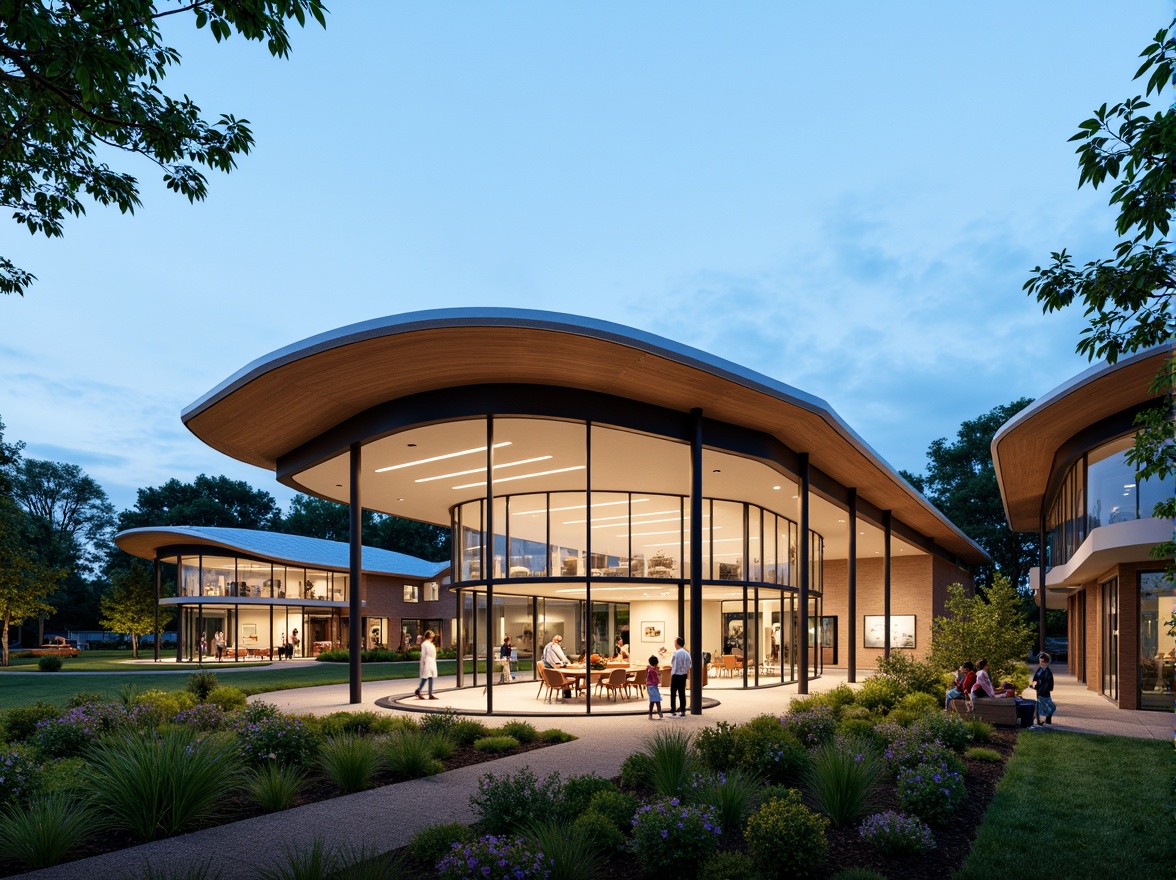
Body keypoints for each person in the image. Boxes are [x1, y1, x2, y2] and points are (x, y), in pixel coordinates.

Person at [1029, 652, 1056, 725]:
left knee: (1050, 706)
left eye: (1042, 662)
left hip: (1045, 691)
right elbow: (1035, 678)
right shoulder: (1040, 670)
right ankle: (1040, 720)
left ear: (1046, 663)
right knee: (1040, 706)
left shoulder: (1048, 672)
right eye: (1040, 661)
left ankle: (1046, 718)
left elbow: (1049, 683)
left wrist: (1046, 688)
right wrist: (1034, 683)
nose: (1040, 663)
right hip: (1040, 690)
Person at [669, 637, 691, 717]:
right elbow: (689, 665)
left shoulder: (676, 653)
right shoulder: (686, 653)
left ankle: (673, 709)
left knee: (673, 693)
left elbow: (672, 663)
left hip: (676, 675)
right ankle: (682, 710)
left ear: (677, 643)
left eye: (675, 642)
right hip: (683, 675)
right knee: (682, 693)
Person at [415, 629, 439, 699]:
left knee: (430, 677)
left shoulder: (430, 644)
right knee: (426, 677)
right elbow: (423, 654)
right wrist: (424, 663)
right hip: (427, 662)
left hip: (431, 661)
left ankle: (427, 692)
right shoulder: (424, 644)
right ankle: (421, 691)